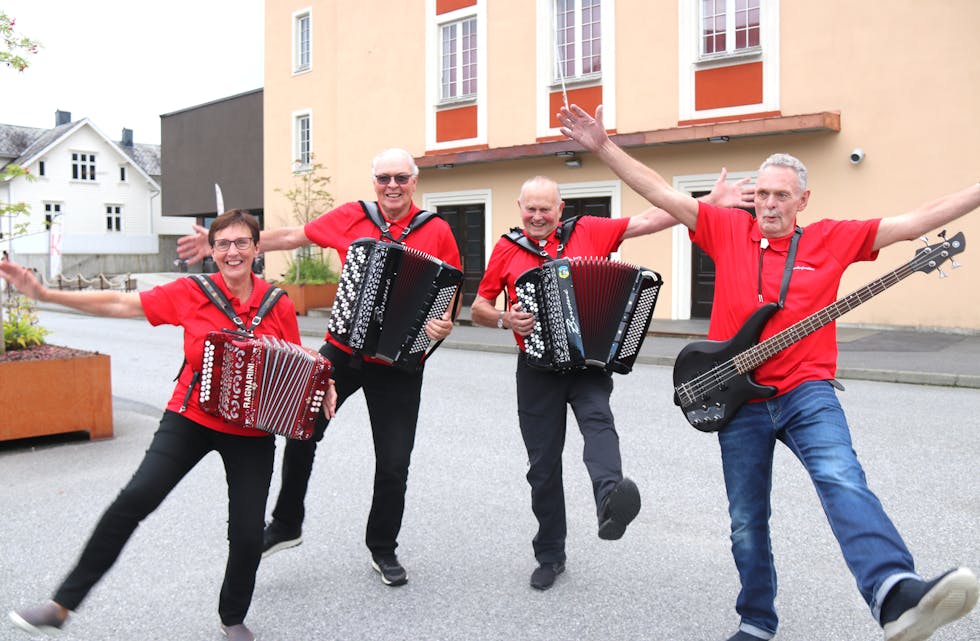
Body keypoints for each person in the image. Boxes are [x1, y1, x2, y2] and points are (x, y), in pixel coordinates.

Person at [558, 103, 980, 640]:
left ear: (803, 201)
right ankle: (756, 620)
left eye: (782, 195)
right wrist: (602, 146)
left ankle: (894, 592)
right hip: (740, 401)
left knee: (841, 477)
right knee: (746, 521)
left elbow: (918, 220)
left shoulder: (832, 238)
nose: (769, 204)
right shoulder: (724, 228)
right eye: (762, 194)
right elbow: (659, 192)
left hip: (807, 391)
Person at [3, 209, 336, 641]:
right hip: (191, 418)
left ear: (257, 249)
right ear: (212, 252)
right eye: (222, 244)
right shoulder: (192, 292)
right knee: (135, 499)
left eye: (241, 243)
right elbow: (122, 303)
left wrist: (322, 383)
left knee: (248, 531)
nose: (231, 252)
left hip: (252, 433)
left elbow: (296, 362)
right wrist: (46, 293)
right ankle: (60, 605)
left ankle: (232, 618)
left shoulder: (278, 304)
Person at [177, 148, 461, 587]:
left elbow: (450, 293)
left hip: (399, 362)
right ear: (374, 182)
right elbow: (292, 237)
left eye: (400, 178)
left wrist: (441, 326)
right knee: (300, 427)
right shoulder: (353, 216)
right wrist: (235, 244)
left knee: (394, 462)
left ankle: (382, 548)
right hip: (342, 349)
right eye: (384, 177)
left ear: (414, 181)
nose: (392, 186)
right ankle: (288, 523)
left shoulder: (436, 230)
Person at [469, 174, 753, 590]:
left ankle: (609, 501)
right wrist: (503, 318)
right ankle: (550, 554)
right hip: (535, 369)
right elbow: (478, 305)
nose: (537, 216)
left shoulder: (590, 229)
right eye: (530, 208)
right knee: (542, 467)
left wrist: (708, 200)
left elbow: (646, 221)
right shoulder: (507, 249)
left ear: (559, 209)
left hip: (588, 364)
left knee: (598, 423)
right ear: (519, 207)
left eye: (545, 208)